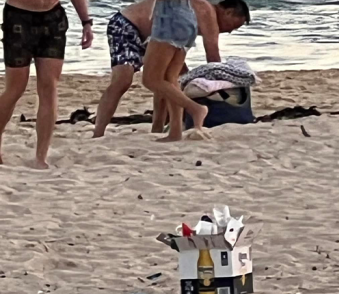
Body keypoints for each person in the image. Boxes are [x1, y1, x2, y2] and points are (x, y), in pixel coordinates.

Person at [93, 0, 250, 139]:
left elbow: (213, 60)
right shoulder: (206, 10)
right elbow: (213, 59)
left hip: (167, 30)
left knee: (163, 79)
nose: (230, 31)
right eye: (234, 25)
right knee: (138, 80)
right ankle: (162, 128)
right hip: (129, 25)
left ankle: (174, 121)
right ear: (228, 12)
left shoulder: (200, 9)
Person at [0, 0, 93, 168]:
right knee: (15, 89)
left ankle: (41, 157)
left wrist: (86, 22)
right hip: (18, 17)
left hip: (53, 18)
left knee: (49, 87)